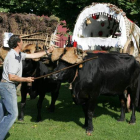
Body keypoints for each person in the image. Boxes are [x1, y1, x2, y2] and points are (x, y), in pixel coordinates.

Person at [0, 35, 53, 140]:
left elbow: (32, 56)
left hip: (6, 85)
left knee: (2, 111)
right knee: (13, 114)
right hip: (8, 86)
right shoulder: (12, 57)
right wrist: (26, 79)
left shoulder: (18, 54)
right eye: (22, 40)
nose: (23, 42)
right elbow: (12, 77)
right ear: (18, 43)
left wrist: (48, 52)